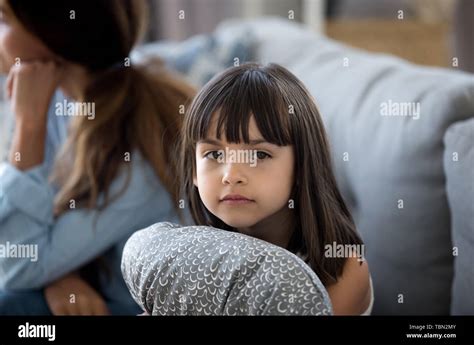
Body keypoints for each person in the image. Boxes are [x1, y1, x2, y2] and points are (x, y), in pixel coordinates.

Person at [0, 0, 194, 315]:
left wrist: (28, 126)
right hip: (91, 279)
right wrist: (61, 273)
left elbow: (17, 263)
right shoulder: (54, 96)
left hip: (137, 306)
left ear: (53, 33)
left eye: (3, 19)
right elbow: (31, 230)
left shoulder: (140, 144)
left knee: (10, 304)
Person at [178, 62, 373, 315]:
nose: (231, 176)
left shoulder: (343, 269)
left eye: (259, 154)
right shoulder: (194, 257)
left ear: (304, 163)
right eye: (214, 154)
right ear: (194, 170)